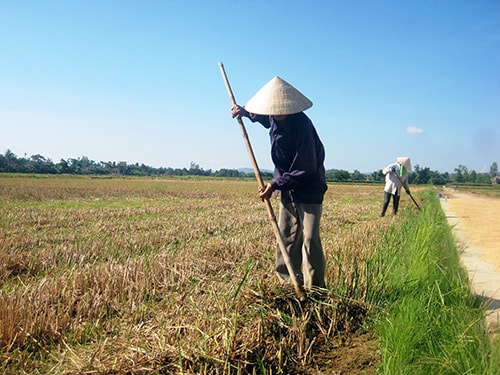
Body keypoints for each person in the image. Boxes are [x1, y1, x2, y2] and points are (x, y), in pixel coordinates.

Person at [231, 76, 327, 290]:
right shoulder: (274, 117)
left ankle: (315, 289)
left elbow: (305, 168)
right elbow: (266, 121)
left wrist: (274, 184)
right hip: (287, 188)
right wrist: (245, 113)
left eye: (278, 110)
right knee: (286, 237)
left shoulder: (302, 125)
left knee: (310, 239)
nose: (275, 113)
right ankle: (288, 284)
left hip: (309, 189)